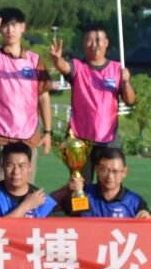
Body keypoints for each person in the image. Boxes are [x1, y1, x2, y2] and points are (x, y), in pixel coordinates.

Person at [47, 22, 136, 183]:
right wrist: (56, 59)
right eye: (89, 40)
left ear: (106, 43)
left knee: (108, 186)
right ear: (83, 43)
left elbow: (130, 100)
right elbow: (64, 67)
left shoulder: (117, 69)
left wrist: (126, 82)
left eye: (98, 40)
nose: (94, 44)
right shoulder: (78, 67)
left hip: (108, 140)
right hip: (79, 140)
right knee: (80, 186)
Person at [0, 7, 53, 184]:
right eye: (5, 26)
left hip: (27, 135)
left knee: (25, 188)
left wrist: (48, 132)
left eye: (14, 25)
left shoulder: (34, 60)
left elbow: (43, 96)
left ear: (23, 27)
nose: (10, 30)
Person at [48, 147, 151, 218]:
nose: (110, 176)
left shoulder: (135, 202)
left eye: (115, 171)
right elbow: (47, 208)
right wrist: (67, 189)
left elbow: (150, 227)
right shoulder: (84, 195)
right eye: (104, 170)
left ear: (124, 172)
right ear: (97, 170)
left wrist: (147, 217)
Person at [0, 142, 57, 218]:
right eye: (10, 165)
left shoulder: (41, 199)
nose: (16, 172)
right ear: (2, 166)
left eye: (21, 166)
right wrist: (26, 206)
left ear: (30, 167)